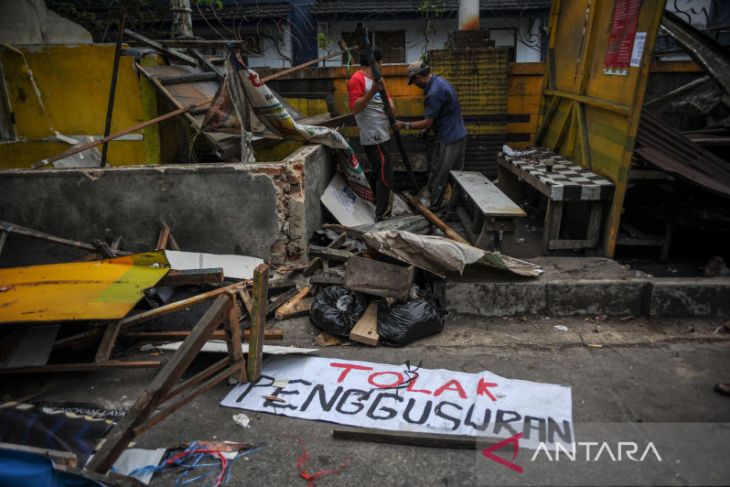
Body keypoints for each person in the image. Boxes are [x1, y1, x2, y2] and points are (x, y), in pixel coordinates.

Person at [395, 60, 467, 209]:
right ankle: (455, 207)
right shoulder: (441, 81)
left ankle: (435, 208)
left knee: (440, 174)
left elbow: (427, 122)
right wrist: (425, 131)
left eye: (414, 82)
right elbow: (439, 115)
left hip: (448, 138)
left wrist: (403, 125)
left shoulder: (434, 92)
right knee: (456, 175)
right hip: (459, 135)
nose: (415, 85)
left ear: (418, 78)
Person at [347, 47, 394, 221]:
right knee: (384, 174)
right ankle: (382, 215)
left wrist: (390, 104)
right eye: (381, 63)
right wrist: (372, 91)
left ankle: (379, 208)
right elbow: (355, 108)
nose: (382, 66)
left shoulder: (378, 79)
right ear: (374, 63)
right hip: (373, 134)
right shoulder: (356, 79)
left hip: (384, 131)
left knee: (380, 173)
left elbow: (387, 96)